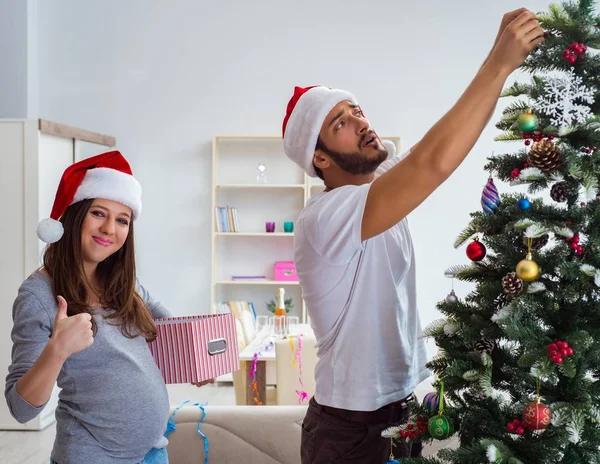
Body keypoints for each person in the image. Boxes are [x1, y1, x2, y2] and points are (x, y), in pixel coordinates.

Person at [281, 8, 544, 464]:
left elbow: (437, 146)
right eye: (340, 123)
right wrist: (498, 64)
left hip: (400, 409)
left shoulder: (380, 181)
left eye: (357, 110)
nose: (362, 122)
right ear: (319, 160)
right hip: (347, 429)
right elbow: (432, 162)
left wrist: (498, 62)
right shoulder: (326, 216)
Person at [4, 151, 213, 464]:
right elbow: (20, 408)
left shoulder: (118, 282)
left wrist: (191, 351)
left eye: (122, 220)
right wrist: (57, 350)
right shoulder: (39, 295)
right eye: (99, 213)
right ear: (74, 216)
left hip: (152, 453)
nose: (109, 229)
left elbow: (153, 306)